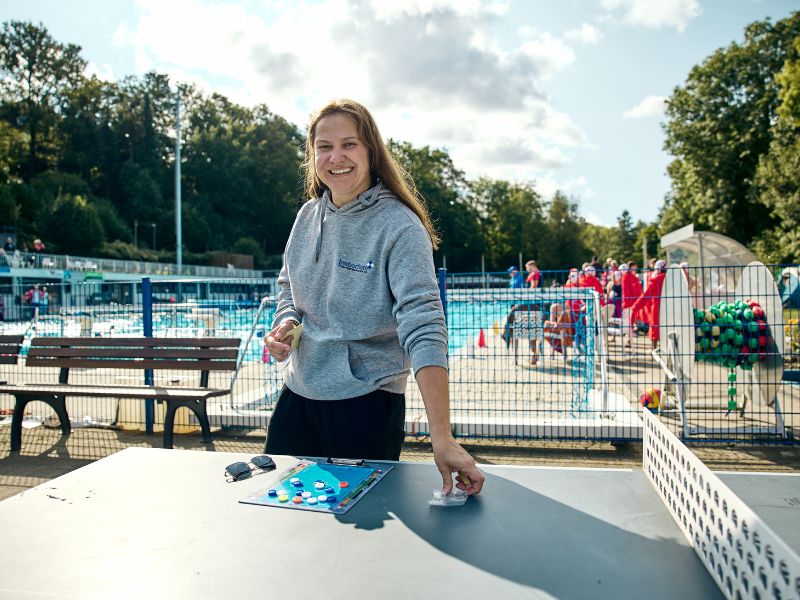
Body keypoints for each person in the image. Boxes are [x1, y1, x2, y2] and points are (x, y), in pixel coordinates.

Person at [264, 98, 483, 497]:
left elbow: (423, 324)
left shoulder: (399, 225)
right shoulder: (307, 217)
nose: (336, 157)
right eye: (324, 147)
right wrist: (288, 324)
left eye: (349, 144)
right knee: (282, 520)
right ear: (313, 156)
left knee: (354, 548)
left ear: (371, 151)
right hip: (298, 395)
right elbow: (287, 289)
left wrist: (442, 437)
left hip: (366, 404)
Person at [631, 259, 667, 350]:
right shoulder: (671, 279)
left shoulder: (656, 280)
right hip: (669, 308)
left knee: (655, 328)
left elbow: (646, 296)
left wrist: (635, 306)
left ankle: (654, 350)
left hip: (657, 308)